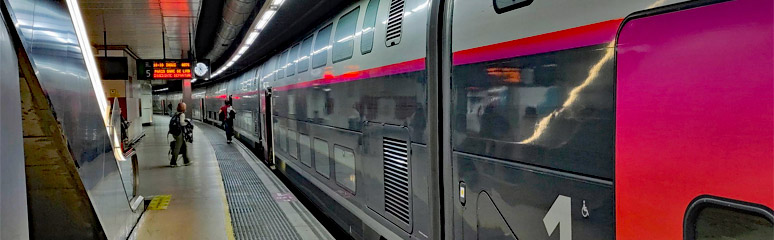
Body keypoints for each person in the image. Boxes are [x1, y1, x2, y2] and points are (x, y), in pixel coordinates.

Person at [169, 102, 191, 167]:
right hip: (179, 133)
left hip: (175, 132)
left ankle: (186, 160)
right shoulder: (182, 114)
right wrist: (187, 123)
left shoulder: (176, 114)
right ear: (183, 108)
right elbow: (181, 123)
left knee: (184, 146)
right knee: (177, 147)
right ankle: (173, 162)